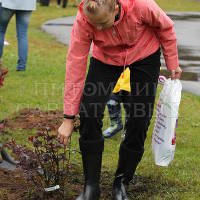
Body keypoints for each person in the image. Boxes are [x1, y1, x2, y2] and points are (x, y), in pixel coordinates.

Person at [58, 0, 182, 199]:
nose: (97, 28)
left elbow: (165, 27)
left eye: (102, 23)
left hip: (144, 53)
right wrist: (68, 118)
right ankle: (91, 186)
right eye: (93, 23)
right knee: (89, 112)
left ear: (116, 8)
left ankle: (121, 183)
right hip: (105, 58)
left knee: (139, 118)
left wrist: (172, 62)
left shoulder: (141, 6)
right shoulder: (84, 18)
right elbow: (75, 62)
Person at [0, 0, 36, 71]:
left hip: (8, 3)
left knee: (1, 31)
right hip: (27, 4)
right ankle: (22, 66)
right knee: (23, 34)